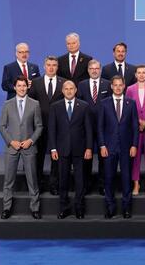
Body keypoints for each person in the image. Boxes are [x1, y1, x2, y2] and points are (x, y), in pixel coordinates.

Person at [0, 76, 43, 219]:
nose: (22, 88)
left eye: (24, 86)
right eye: (19, 86)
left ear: (27, 87)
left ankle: (35, 208)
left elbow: (39, 126)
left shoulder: (35, 104)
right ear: (14, 87)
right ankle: (6, 208)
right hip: (12, 148)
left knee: (32, 179)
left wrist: (31, 140)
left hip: (29, 147)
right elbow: (2, 126)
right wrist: (11, 142)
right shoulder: (7, 104)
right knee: (8, 180)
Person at [49, 80, 93, 219]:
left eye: (71, 88)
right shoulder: (55, 106)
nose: (69, 91)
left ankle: (79, 208)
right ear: (62, 91)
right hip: (62, 149)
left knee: (80, 181)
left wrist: (89, 148)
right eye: (66, 89)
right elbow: (52, 130)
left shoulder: (84, 106)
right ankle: (64, 208)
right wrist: (53, 148)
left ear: (75, 90)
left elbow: (88, 130)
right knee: (63, 180)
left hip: (80, 149)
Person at [98, 75, 139, 219]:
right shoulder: (104, 103)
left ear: (124, 86)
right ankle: (110, 207)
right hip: (109, 148)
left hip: (127, 147)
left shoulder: (131, 103)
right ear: (111, 86)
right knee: (109, 178)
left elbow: (135, 127)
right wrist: (102, 145)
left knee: (126, 179)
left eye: (120, 85)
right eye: (115, 85)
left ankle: (126, 208)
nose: (117, 87)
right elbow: (100, 127)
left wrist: (134, 145)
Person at [28, 56, 65, 195]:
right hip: (39, 126)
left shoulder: (64, 83)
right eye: (48, 65)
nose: (51, 67)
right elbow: (30, 104)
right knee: (38, 157)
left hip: (58, 127)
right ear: (44, 66)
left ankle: (54, 184)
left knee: (56, 158)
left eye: (54, 65)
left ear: (57, 67)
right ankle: (38, 184)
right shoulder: (36, 83)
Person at [77, 59, 112, 195]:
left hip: (104, 127)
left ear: (100, 69)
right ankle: (86, 185)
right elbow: (78, 105)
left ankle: (103, 185)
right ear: (88, 70)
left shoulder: (108, 84)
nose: (94, 71)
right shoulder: (81, 85)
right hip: (86, 128)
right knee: (87, 158)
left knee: (104, 158)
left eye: (96, 68)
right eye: (91, 68)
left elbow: (110, 106)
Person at [126, 65, 145, 196]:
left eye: (144, 72)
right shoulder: (130, 89)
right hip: (135, 129)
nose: (141, 75)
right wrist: (138, 121)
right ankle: (136, 183)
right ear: (135, 75)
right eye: (139, 72)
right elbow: (127, 107)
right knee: (135, 158)